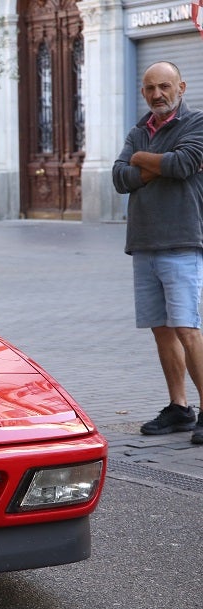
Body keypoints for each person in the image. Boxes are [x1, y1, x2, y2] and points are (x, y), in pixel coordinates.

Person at [112, 61, 203, 445]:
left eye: (164, 86)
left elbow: (183, 164)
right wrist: (153, 165)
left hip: (182, 241)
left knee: (187, 329)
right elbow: (119, 178)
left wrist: (140, 160)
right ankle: (179, 408)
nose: (156, 95)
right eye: (150, 88)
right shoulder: (138, 130)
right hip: (144, 243)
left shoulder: (196, 123)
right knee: (162, 330)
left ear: (180, 87)